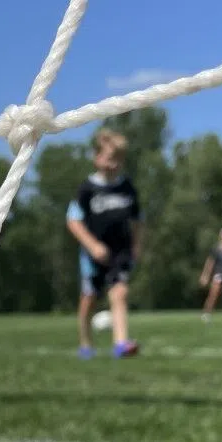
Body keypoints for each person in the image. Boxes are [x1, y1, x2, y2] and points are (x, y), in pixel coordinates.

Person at [66, 128, 142, 359]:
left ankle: (120, 344)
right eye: (110, 158)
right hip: (93, 255)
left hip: (120, 252)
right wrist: (92, 246)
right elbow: (73, 220)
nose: (114, 164)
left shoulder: (127, 187)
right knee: (89, 298)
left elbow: (139, 220)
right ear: (97, 158)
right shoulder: (87, 189)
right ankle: (86, 343)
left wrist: (137, 247)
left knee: (119, 293)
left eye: (119, 159)